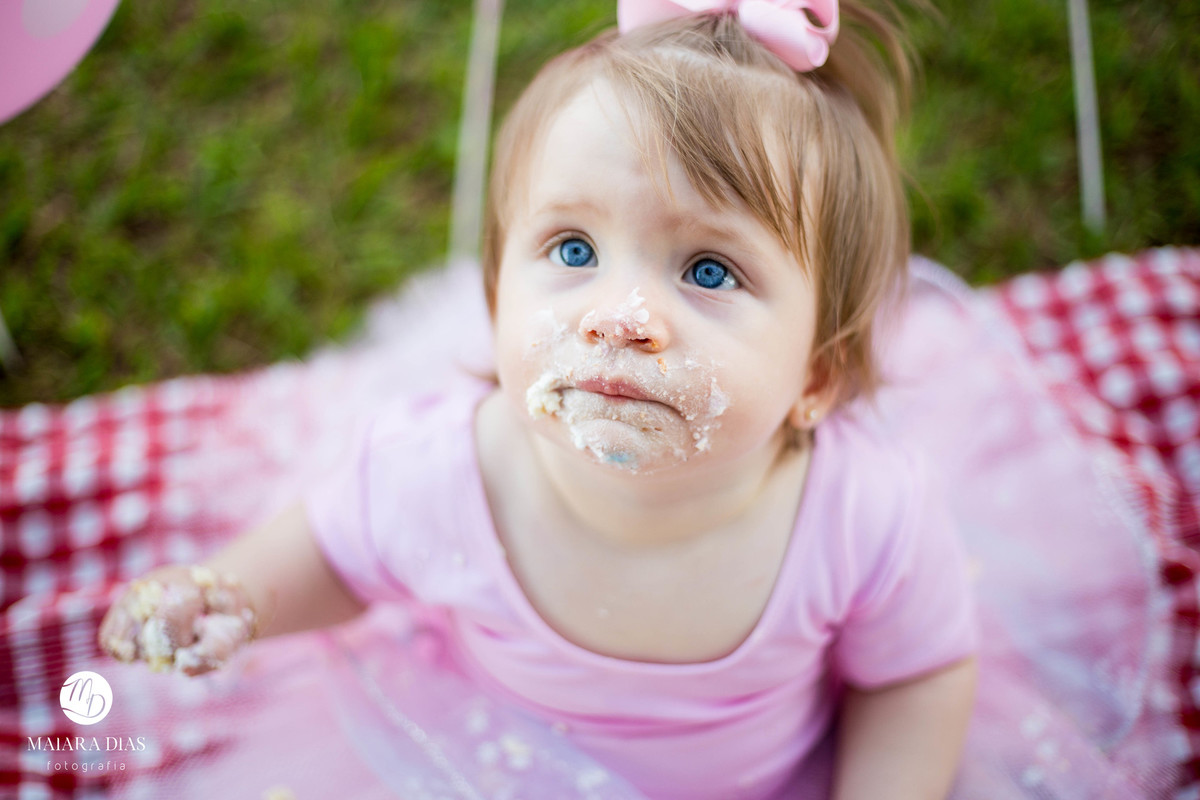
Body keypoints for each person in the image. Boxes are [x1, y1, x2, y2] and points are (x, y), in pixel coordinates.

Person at [91, 1, 1049, 797]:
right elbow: (338, 553)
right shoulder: (450, 472)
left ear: (817, 376)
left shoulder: (863, 514)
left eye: (709, 269)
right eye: (575, 252)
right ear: (500, 296)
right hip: (483, 768)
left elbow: (914, 677)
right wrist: (230, 595)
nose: (618, 317)